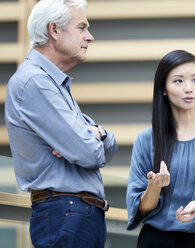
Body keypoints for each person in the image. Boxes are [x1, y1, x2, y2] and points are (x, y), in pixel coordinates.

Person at [4, 0, 117, 247]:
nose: (90, 37)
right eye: (82, 27)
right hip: (66, 214)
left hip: (73, 215)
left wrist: (97, 133)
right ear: (54, 30)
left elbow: (107, 146)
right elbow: (89, 152)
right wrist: (87, 141)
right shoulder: (35, 82)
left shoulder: (53, 85)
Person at [126, 50, 195, 248]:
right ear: (163, 88)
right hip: (156, 240)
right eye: (178, 81)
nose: (189, 88)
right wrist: (154, 187)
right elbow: (140, 209)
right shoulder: (147, 139)